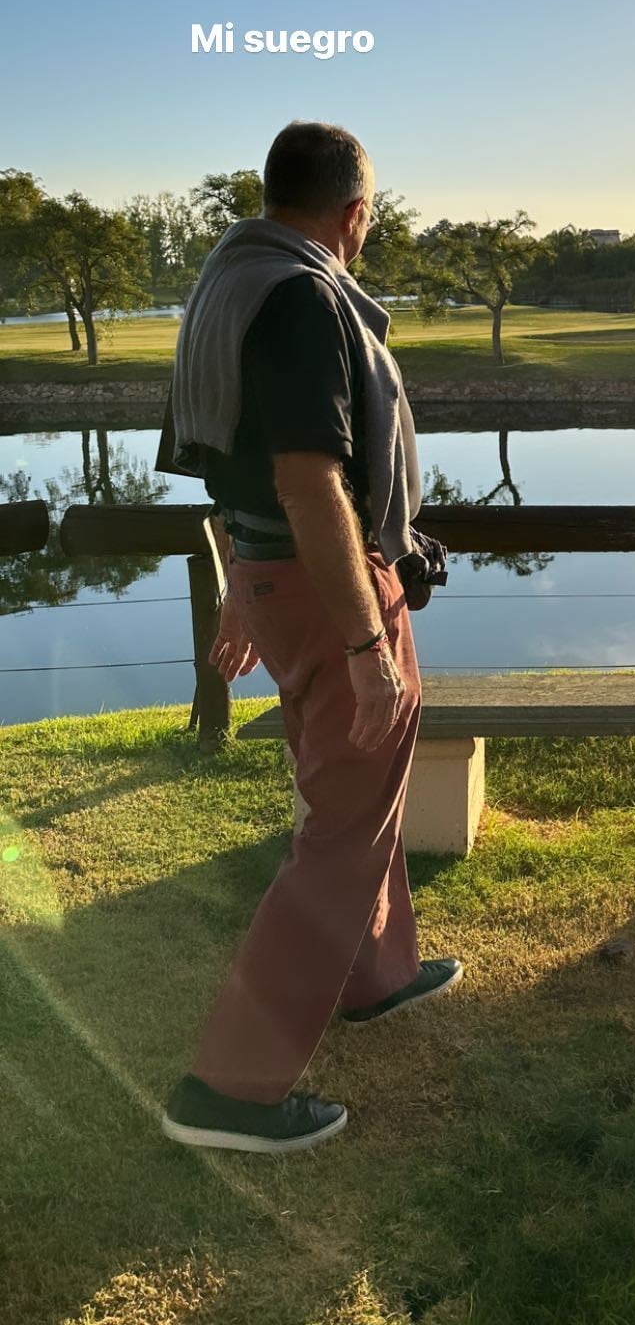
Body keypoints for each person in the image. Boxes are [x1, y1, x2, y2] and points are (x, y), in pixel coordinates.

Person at [156, 121, 462, 1154]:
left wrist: (246, 585)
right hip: (333, 593)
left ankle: (375, 973)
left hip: (273, 576)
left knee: (350, 792)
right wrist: (370, 640)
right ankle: (229, 1087)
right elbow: (308, 478)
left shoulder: (230, 277)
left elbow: (230, 466)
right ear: (354, 211)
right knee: (342, 821)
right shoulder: (303, 293)